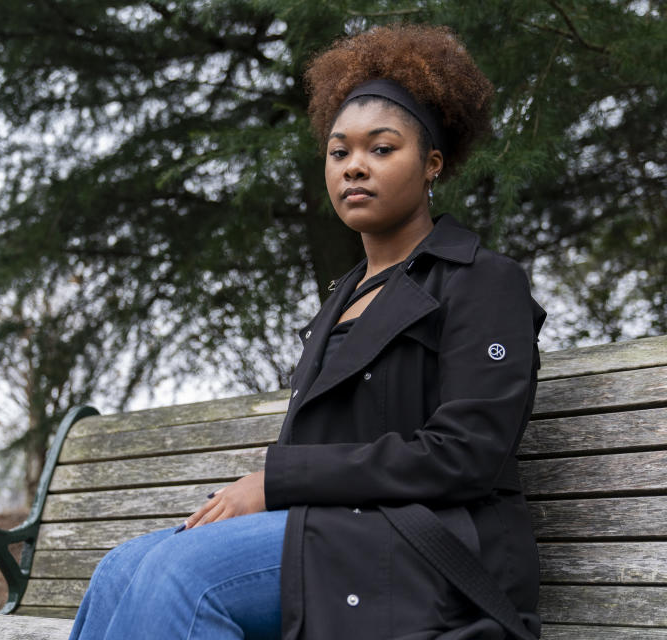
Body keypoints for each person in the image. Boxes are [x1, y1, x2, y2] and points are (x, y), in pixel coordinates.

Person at [67, 23, 545, 640]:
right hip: (338, 530)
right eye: (339, 152)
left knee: (184, 576)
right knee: (119, 569)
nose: (355, 168)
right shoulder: (342, 298)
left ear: (431, 164)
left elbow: (466, 454)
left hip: (436, 546)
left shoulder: (481, 280)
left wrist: (276, 481)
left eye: (381, 148)